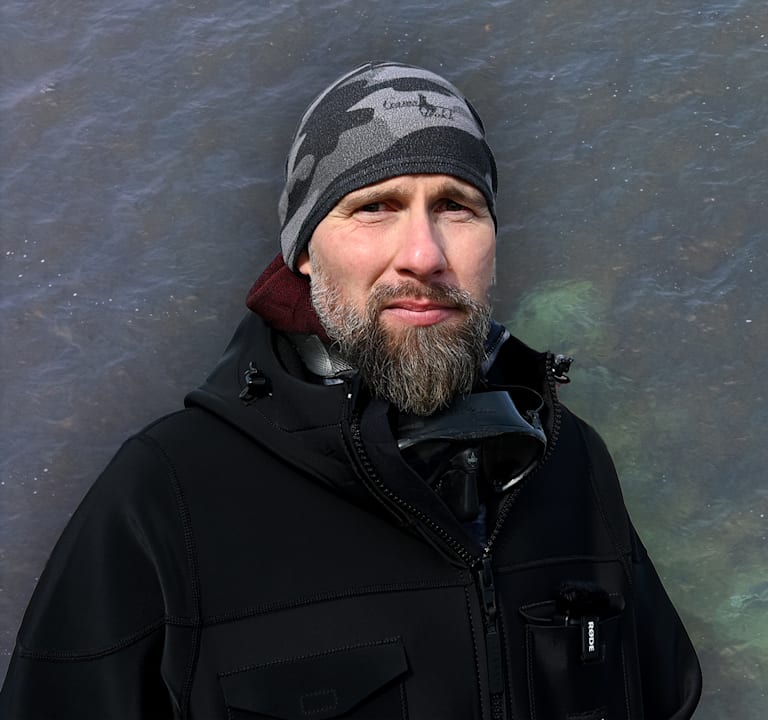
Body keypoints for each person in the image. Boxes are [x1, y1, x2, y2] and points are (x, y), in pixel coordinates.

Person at [0, 61, 702, 719]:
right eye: (375, 206)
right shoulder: (163, 500)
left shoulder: (565, 460)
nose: (424, 254)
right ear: (303, 252)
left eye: (457, 206)